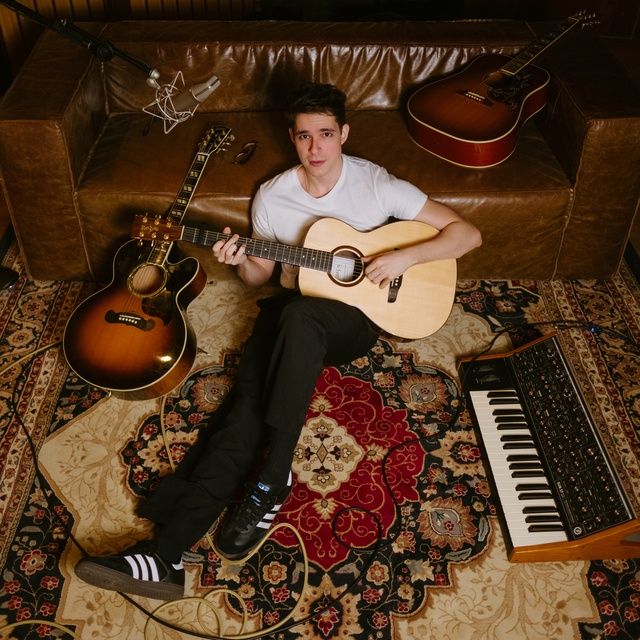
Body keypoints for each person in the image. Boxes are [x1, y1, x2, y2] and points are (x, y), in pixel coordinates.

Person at [74, 82, 482, 601]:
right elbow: (258, 277)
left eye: (326, 134)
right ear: (293, 138)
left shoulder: (376, 184)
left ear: (344, 134)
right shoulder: (274, 195)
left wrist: (404, 257)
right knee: (243, 412)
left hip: (355, 319)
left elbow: (467, 234)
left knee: (300, 317)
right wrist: (240, 257)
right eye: (305, 136)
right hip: (291, 312)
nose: (316, 147)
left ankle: (273, 475)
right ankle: (165, 555)